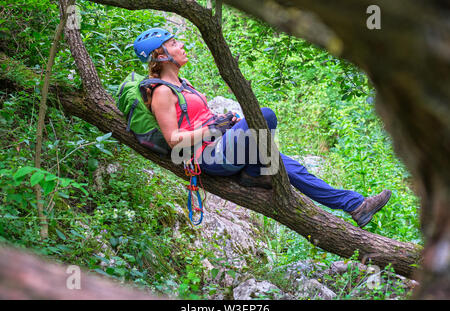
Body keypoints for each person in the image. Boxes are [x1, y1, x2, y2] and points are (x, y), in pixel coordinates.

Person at [133, 28, 391, 228]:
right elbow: (173, 140)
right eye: (174, 44)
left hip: (222, 147)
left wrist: (223, 121)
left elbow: (200, 120)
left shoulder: (183, 83)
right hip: (208, 157)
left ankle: (356, 206)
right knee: (264, 116)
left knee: (291, 167)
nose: (181, 46)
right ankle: (256, 172)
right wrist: (214, 130)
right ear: (160, 54)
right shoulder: (162, 92)